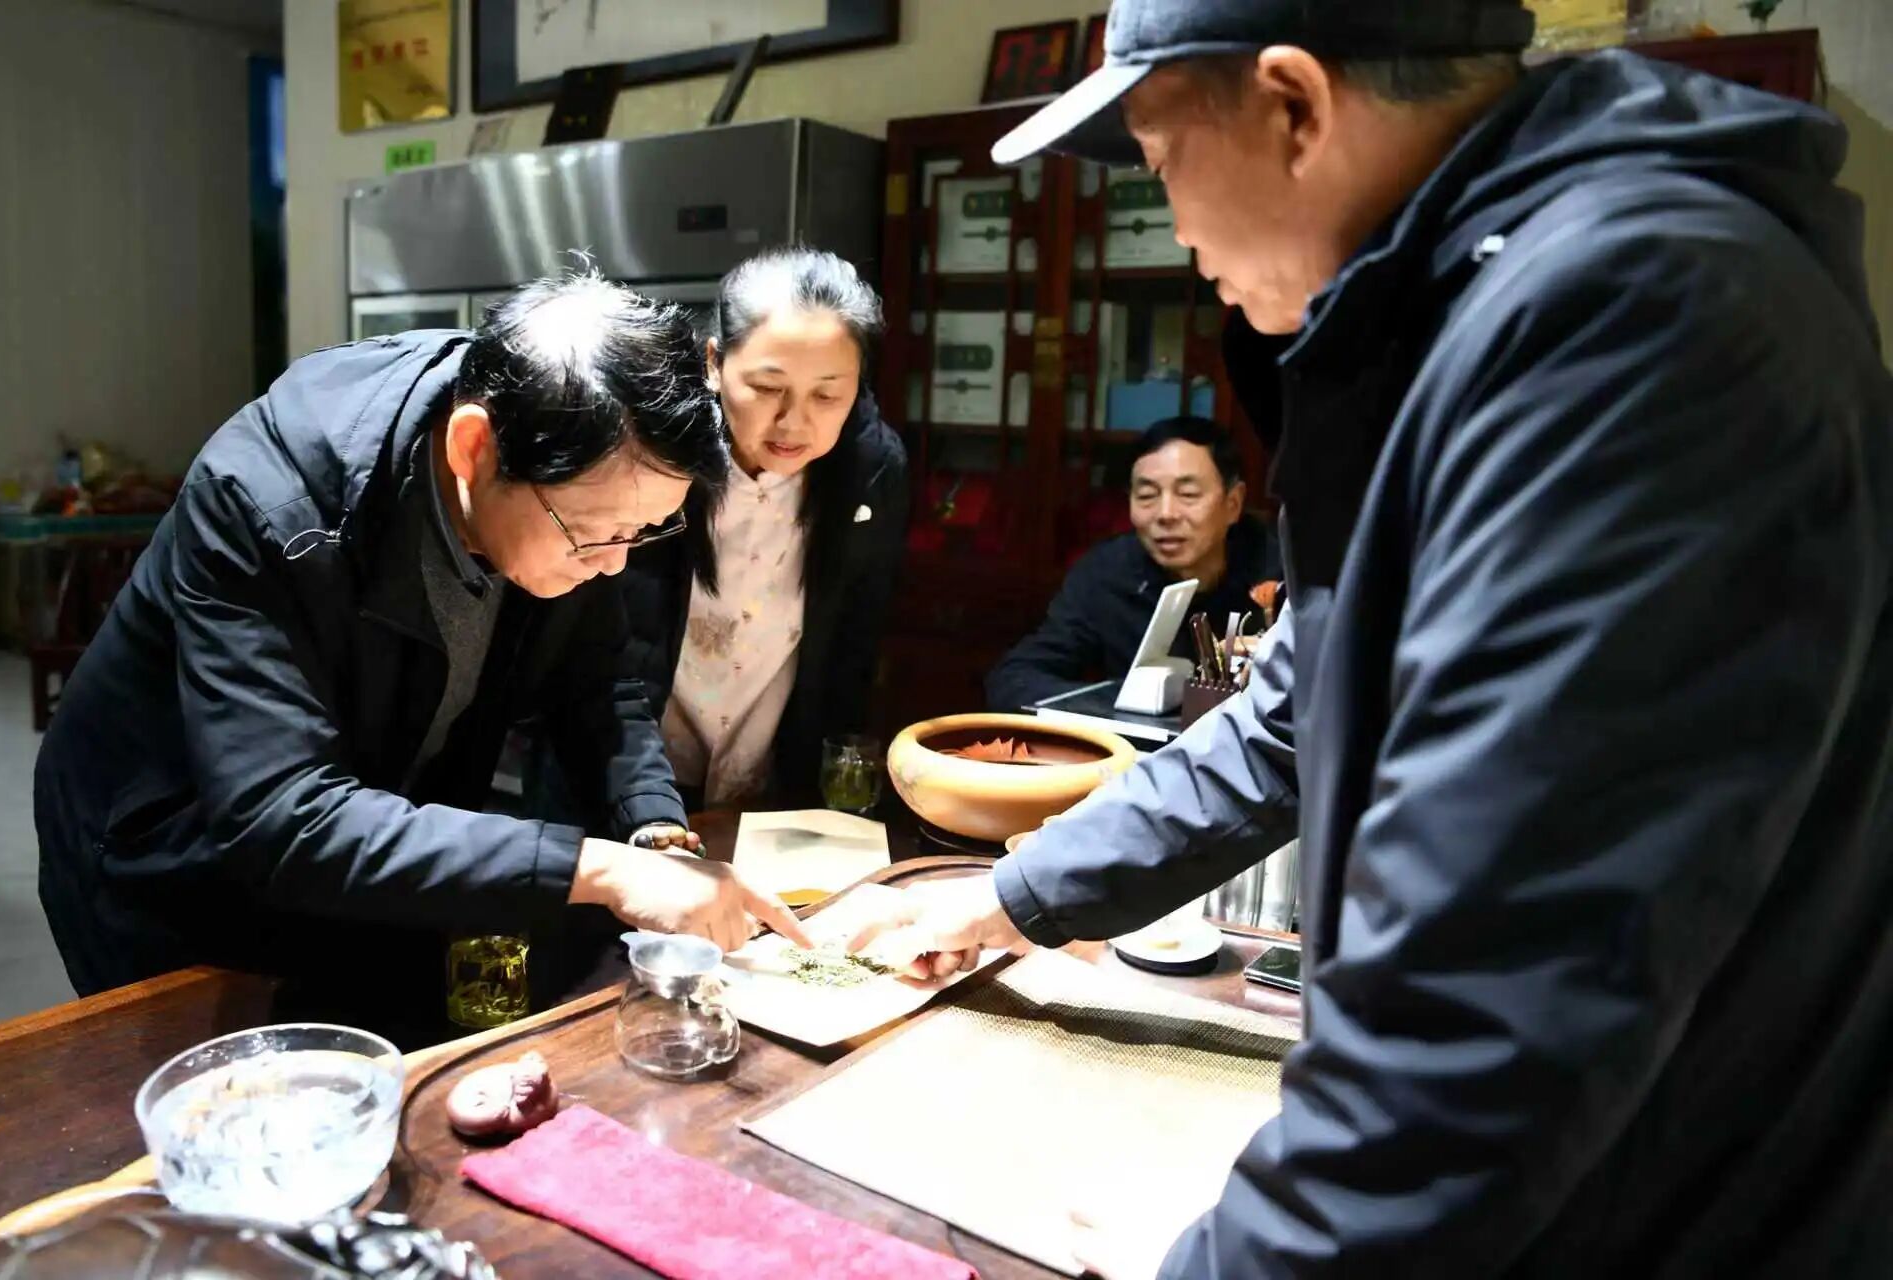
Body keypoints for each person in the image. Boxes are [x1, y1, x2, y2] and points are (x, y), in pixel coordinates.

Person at [839, 0, 1893, 1275]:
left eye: (1163, 162)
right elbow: (1289, 718)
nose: (1174, 228)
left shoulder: (1629, 316)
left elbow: (1487, 1023)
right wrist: (1016, 897)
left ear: (1295, 107)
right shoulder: (1462, 307)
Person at [35, 272, 810, 1035]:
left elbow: (599, 686)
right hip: (168, 854)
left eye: (640, 533)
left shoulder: (570, 466)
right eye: (592, 534)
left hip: (356, 834)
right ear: (473, 447)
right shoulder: (267, 502)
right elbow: (282, 818)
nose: (612, 565)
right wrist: (601, 868)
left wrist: (656, 836)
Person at [621, 249, 908, 806]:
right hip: (634, 772)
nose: (794, 422)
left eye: (827, 394)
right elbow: (604, 651)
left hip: (770, 783)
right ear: (714, 363)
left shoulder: (872, 471)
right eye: (768, 387)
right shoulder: (653, 453)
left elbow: (853, 643)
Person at [985, 415, 1278, 711]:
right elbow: (1016, 677)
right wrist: (1120, 709)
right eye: (1147, 495)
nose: (1165, 514)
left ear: (1233, 504)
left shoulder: (1280, 570)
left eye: (1188, 494)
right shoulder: (1108, 574)